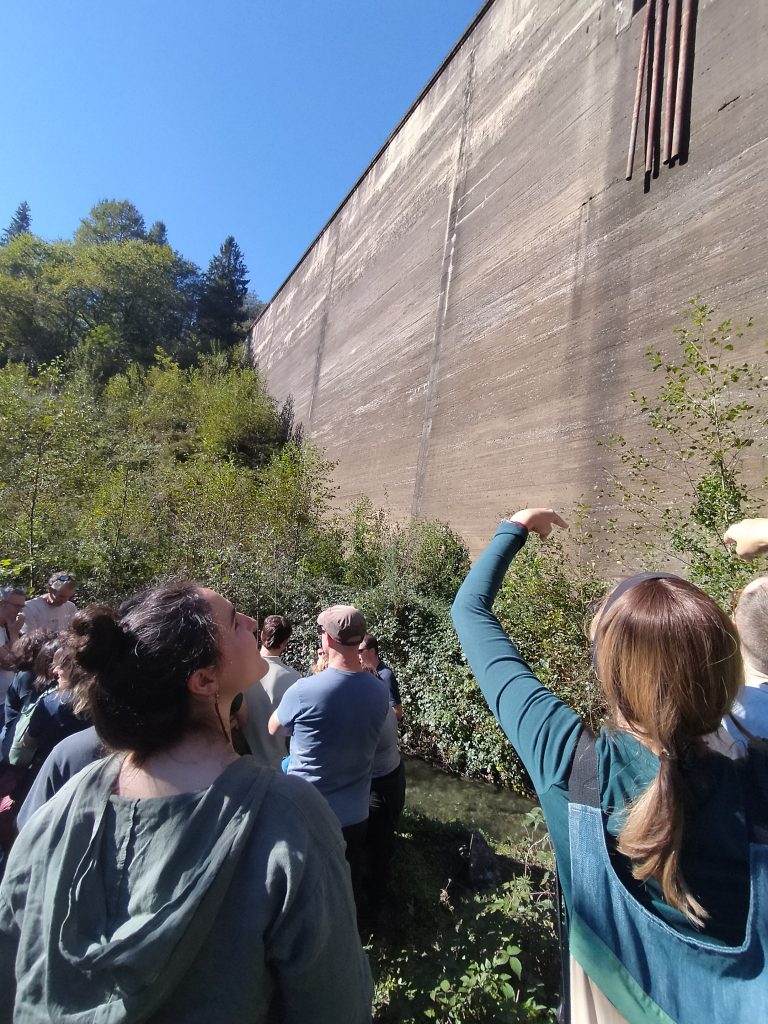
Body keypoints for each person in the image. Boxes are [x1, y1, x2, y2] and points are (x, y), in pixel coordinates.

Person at [0, 582, 372, 1023]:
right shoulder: (290, 820)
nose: (253, 623)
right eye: (235, 621)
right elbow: (336, 1008)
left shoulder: (58, 814)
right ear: (204, 679)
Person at [451, 508, 768, 1024]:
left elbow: (469, 612)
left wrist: (514, 528)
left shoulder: (572, 765)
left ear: (609, 672)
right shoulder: (757, 779)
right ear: (728, 664)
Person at [268, 605, 389, 898]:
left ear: (329, 640)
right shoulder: (380, 689)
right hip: (356, 815)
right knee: (340, 889)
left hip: (308, 812)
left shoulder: (304, 690)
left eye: (321, 631)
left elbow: (273, 728)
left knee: (303, 893)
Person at [241, 615, 301, 768]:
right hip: (280, 767)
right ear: (285, 643)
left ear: (261, 635)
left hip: (243, 766)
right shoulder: (295, 679)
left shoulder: (239, 674)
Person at [358, 634, 402, 719]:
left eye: (360, 651)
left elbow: (398, 713)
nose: (357, 654)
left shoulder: (385, 675)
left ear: (372, 651)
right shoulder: (361, 672)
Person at [0, 587, 26, 721]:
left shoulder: (10, 627)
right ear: (1, 604)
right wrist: (15, 633)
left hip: (8, 698)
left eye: (22, 606)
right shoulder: (13, 629)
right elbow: (10, 663)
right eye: (16, 606)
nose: (20, 611)